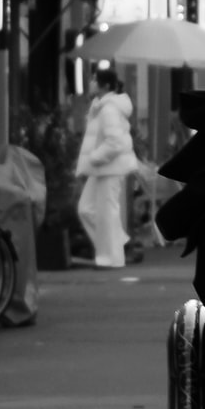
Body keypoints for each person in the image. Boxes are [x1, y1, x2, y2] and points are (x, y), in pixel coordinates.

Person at [74, 64, 138, 268]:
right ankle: (117, 246)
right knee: (88, 209)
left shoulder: (108, 109)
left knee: (106, 211)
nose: (91, 83)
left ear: (105, 85)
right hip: (102, 168)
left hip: (108, 168)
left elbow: (114, 142)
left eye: (95, 79)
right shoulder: (100, 107)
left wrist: (94, 158)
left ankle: (112, 257)